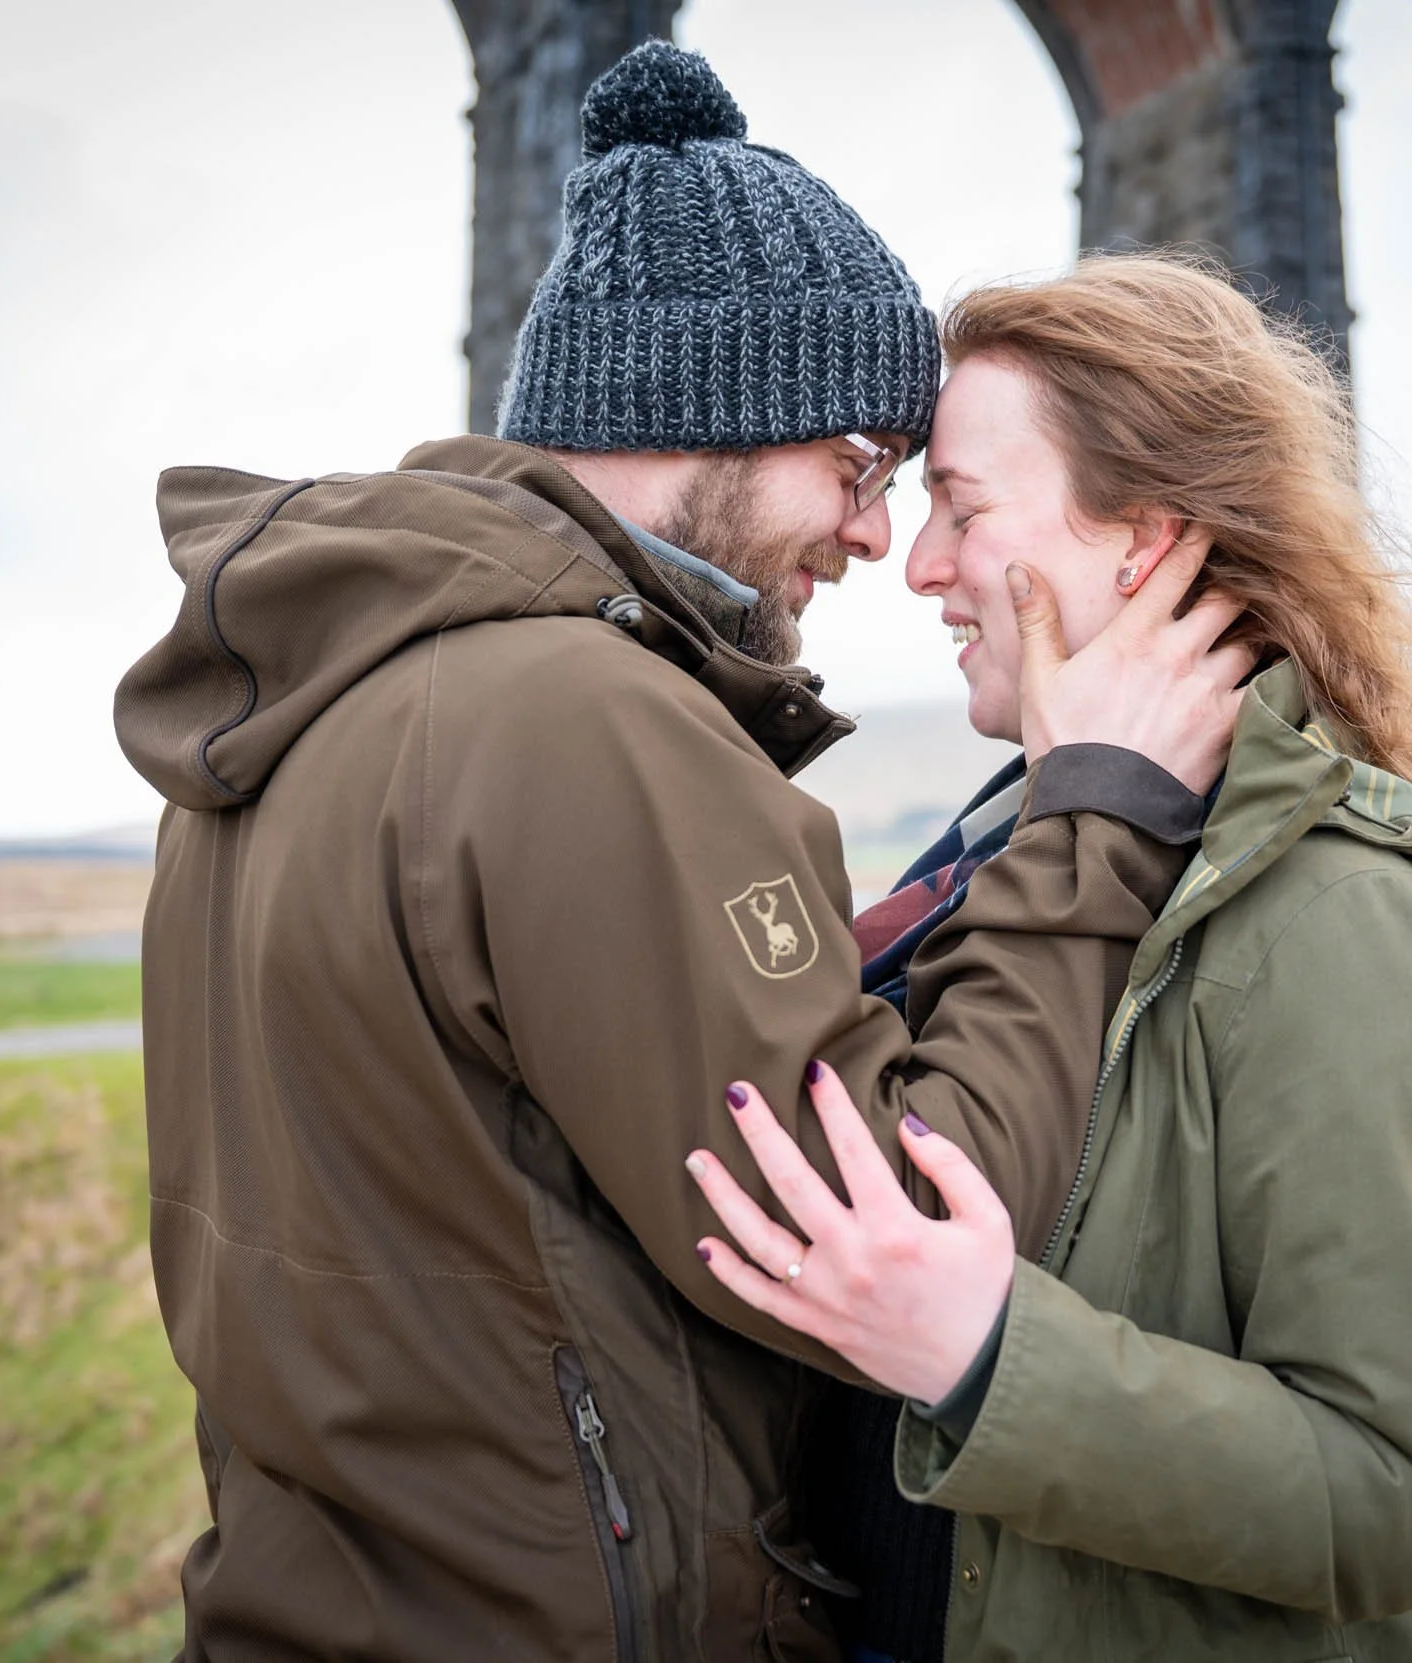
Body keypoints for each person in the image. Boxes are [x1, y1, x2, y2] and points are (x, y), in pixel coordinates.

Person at [111, 46, 1251, 1663]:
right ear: (710, 410)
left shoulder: (311, 700)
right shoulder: (588, 718)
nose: (876, 533)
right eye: (857, 466)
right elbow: (895, 1232)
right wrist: (1092, 816)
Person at [687, 255, 1412, 1662]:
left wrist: (987, 1354)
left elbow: (1405, 1496)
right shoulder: (1011, 838)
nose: (919, 563)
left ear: (1147, 541)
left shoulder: (1347, 913)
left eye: (965, 507)